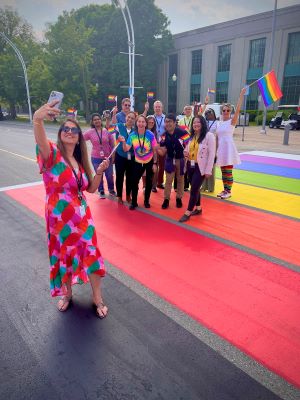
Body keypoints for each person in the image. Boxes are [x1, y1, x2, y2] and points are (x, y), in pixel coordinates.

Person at [33, 100, 109, 318]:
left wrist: (100, 172)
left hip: (84, 219)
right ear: (60, 133)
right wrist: (38, 118)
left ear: (78, 138)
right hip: (59, 221)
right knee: (64, 256)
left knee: (92, 254)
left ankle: (97, 297)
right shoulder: (52, 155)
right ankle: (67, 294)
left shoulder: (80, 161)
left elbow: (91, 189)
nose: (69, 132)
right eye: (65, 129)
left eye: (74, 130)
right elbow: (39, 137)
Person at [179, 116, 216, 223]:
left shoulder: (209, 136)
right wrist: (185, 152)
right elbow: (188, 149)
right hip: (190, 166)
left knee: (194, 189)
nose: (196, 124)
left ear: (203, 123)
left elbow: (211, 154)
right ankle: (198, 208)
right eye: (194, 122)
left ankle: (188, 212)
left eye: (198, 122)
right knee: (194, 188)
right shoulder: (192, 136)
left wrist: (209, 170)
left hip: (201, 168)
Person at [119, 115, 158, 210]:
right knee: (134, 182)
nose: (141, 124)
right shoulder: (132, 135)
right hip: (137, 161)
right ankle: (134, 202)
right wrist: (123, 142)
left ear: (146, 123)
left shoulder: (150, 134)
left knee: (149, 182)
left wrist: (155, 163)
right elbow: (126, 149)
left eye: (143, 122)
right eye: (139, 122)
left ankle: (146, 201)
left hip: (149, 161)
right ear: (136, 123)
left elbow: (154, 150)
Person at [216, 88, 246, 199]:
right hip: (221, 150)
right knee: (223, 172)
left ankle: (229, 191)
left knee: (228, 172)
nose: (225, 112)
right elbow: (217, 138)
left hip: (229, 149)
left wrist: (241, 95)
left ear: (230, 112)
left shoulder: (231, 122)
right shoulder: (219, 123)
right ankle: (225, 190)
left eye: (228, 110)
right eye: (224, 110)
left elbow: (238, 110)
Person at [157, 113, 188, 209]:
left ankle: (179, 198)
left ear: (175, 123)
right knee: (168, 181)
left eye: (170, 121)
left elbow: (189, 145)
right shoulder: (163, 136)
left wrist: (187, 154)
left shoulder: (183, 133)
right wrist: (157, 149)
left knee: (180, 180)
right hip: (170, 159)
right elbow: (161, 148)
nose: (167, 124)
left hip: (181, 159)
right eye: (166, 121)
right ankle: (166, 199)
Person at [83, 113, 116, 199]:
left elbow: (113, 144)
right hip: (96, 157)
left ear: (101, 120)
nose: (97, 121)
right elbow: (80, 139)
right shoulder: (90, 132)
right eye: (95, 120)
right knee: (99, 174)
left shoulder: (106, 130)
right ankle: (101, 190)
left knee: (109, 174)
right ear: (92, 122)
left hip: (107, 157)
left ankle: (111, 189)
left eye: (98, 119)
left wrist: (113, 156)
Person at [111, 110, 136, 204]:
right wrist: (112, 115)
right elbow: (109, 128)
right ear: (126, 118)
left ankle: (128, 195)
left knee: (130, 177)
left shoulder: (135, 130)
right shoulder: (119, 126)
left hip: (131, 156)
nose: (130, 119)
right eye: (128, 117)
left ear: (134, 120)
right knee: (119, 176)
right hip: (120, 156)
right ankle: (120, 196)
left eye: (132, 118)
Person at [201, 108, 217, 192]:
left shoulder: (217, 123)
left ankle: (211, 188)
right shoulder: (204, 122)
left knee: (211, 167)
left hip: (213, 146)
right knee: (203, 167)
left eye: (209, 112)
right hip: (204, 146)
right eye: (206, 113)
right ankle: (203, 186)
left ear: (213, 113)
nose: (208, 114)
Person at [153, 100, 166, 190]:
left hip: (162, 144)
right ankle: (153, 184)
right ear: (154, 108)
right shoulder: (151, 118)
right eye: (156, 107)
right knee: (154, 164)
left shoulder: (165, 118)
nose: (157, 108)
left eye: (159, 107)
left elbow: (168, 130)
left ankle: (160, 182)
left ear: (162, 108)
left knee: (162, 165)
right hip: (153, 144)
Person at [146, 115, 159, 192]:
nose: (151, 123)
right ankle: (145, 186)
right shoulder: (142, 130)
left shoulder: (155, 132)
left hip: (153, 153)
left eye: (152, 122)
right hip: (144, 155)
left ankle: (153, 186)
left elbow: (157, 143)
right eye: (149, 122)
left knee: (155, 170)